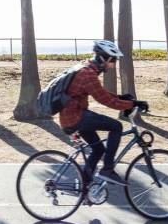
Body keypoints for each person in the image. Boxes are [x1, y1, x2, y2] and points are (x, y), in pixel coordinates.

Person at [59, 40, 149, 185]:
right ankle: (107, 169)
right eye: (112, 60)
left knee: (98, 149)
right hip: (76, 117)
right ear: (103, 58)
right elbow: (106, 100)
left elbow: (101, 93)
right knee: (116, 126)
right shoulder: (87, 73)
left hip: (72, 118)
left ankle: (84, 187)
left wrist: (120, 97)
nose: (113, 64)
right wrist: (133, 103)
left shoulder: (87, 69)